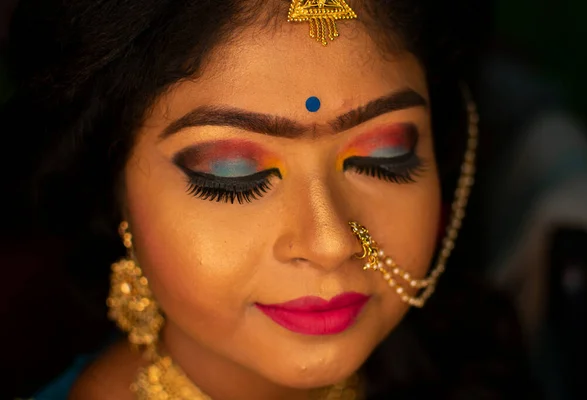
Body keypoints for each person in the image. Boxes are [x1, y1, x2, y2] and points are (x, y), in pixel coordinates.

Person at [3, 0, 536, 399]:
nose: (330, 244)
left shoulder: (467, 365)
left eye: (384, 155)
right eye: (232, 173)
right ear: (114, 185)